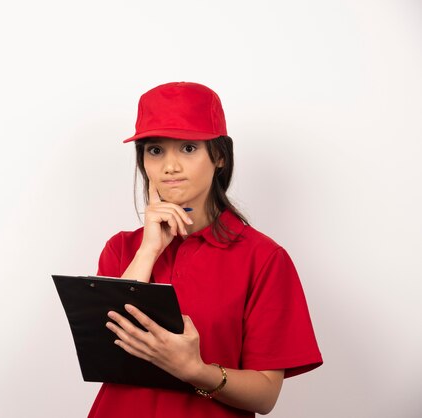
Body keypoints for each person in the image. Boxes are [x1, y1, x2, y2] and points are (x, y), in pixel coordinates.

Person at [87, 82, 323, 418]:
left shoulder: (263, 258)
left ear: (220, 157)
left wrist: (195, 371)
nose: (170, 166)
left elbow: (266, 395)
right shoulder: (123, 248)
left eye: (187, 148)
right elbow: (103, 355)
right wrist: (149, 250)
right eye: (155, 150)